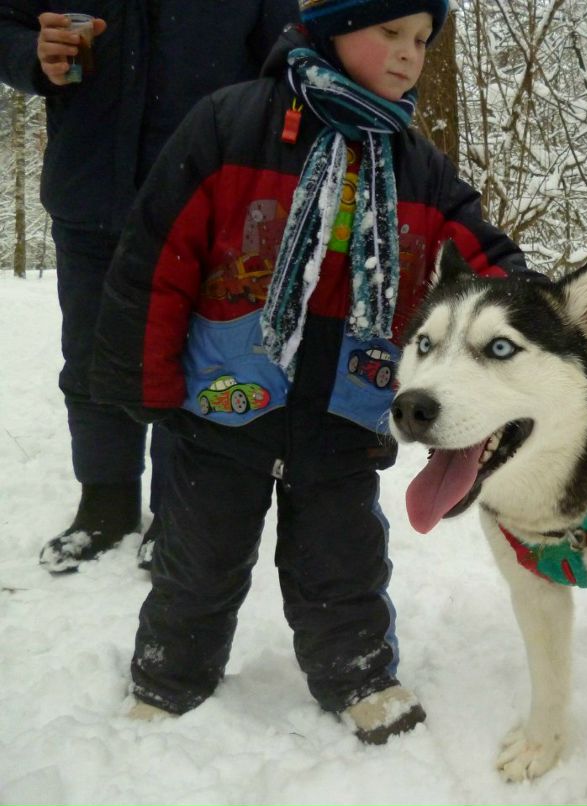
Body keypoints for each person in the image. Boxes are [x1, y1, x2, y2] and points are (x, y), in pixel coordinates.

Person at [89, 0, 531, 741]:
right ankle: (171, 672)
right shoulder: (233, 124)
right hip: (225, 398)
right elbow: (158, 254)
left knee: (342, 557)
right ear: (329, 26)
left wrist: (540, 314)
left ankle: (357, 673)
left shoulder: (413, 161)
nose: (408, 54)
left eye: (421, 39)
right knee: (200, 552)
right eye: (388, 31)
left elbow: (484, 255)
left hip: (345, 404)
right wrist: (145, 374)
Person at [0, 2, 299, 573]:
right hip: (88, 193)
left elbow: (285, 63)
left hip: (202, 202)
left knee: (194, 365)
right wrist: (32, 58)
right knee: (89, 361)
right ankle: (104, 505)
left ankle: (176, 514)